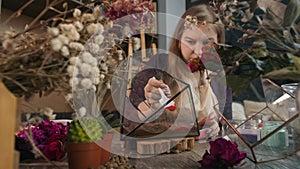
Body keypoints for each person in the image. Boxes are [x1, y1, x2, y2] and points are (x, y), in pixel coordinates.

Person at [127, 4, 227, 140]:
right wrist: (150, 105)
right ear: (179, 40)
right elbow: (131, 115)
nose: (198, 51)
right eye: (190, 41)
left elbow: (226, 122)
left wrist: (216, 128)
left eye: (208, 43)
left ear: (219, 45)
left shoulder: (218, 76)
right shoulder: (160, 64)